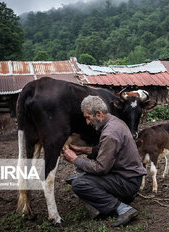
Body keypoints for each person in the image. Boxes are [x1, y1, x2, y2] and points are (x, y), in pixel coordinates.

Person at [63, 95, 147, 227]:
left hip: (128, 181)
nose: (87, 122)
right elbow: (107, 151)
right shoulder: (114, 122)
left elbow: (101, 168)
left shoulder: (110, 133)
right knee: (82, 174)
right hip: (130, 176)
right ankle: (120, 199)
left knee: (79, 183)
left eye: (88, 117)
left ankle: (122, 208)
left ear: (98, 114)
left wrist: (75, 159)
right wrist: (85, 150)